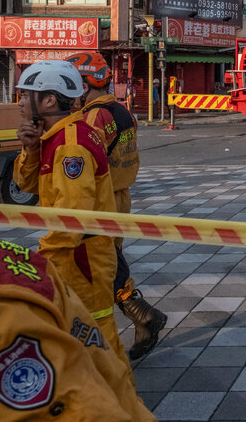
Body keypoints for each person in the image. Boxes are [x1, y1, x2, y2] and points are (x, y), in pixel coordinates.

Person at [0, 212, 155, 420]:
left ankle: (141, 321)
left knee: (100, 318)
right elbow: (28, 184)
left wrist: (50, 250)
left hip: (80, 248)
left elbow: (71, 208)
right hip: (84, 244)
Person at [13, 60, 130, 369]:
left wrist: (43, 257)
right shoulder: (57, 138)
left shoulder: (71, 146)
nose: (20, 103)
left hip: (81, 257)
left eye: (25, 96)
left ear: (49, 100)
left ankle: (118, 403)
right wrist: (30, 149)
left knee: (97, 337)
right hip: (75, 253)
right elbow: (26, 185)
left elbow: (72, 218)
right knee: (79, 334)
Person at [66, 52, 167, 360]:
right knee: (108, 258)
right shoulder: (121, 110)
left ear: (84, 86)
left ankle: (142, 315)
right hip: (119, 196)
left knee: (101, 262)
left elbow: (86, 159)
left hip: (101, 198)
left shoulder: (95, 117)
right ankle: (141, 314)